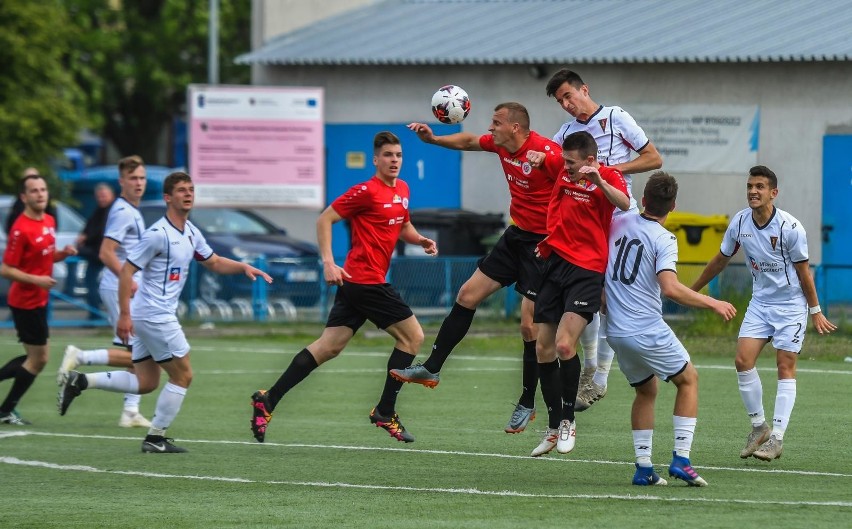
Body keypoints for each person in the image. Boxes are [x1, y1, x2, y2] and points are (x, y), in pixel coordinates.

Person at [58, 171, 273, 453]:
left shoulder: (191, 232)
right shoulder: (157, 235)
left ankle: (81, 380)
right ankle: (156, 438)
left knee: (146, 381)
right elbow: (126, 271)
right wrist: (124, 315)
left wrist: (243, 266)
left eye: (191, 189)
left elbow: (215, 261)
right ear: (168, 197)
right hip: (155, 315)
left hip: (151, 316)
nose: (188, 194)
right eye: (182, 190)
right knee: (183, 375)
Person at [249, 131, 437, 444]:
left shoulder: (402, 189)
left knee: (328, 347)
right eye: (388, 155)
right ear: (376, 159)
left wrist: (419, 240)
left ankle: (268, 400)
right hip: (365, 281)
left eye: (398, 155)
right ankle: (385, 411)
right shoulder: (365, 191)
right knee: (413, 336)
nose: (394, 161)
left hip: (357, 283)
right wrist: (327, 261)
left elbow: (403, 225)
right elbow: (325, 219)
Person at [390, 102, 564, 434]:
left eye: (496, 123)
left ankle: (527, 402)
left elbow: (572, 176)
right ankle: (432, 368)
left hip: (543, 245)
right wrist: (434, 140)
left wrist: (552, 165)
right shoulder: (501, 146)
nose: (490, 128)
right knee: (467, 294)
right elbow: (470, 141)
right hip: (515, 237)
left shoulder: (544, 150)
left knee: (529, 328)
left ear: (515, 127)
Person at [531, 68, 663, 412]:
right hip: (587, 224)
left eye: (568, 96)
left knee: (613, 298)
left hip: (620, 219)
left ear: (584, 89)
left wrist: (610, 170)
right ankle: (592, 372)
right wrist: (537, 158)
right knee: (590, 298)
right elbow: (553, 162)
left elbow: (654, 158)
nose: (566, 105)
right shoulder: (566, 133)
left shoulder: (615, 118)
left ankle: (600, 376)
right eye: (561, 101)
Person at [691, 165, 836, 461]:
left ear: (773, 192)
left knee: (785, 365)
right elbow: (720, 259)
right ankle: (759, 427)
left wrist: (815, 311)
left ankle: (777, 439)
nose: (753, 191)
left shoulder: (790, 228)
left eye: (759, 186)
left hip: (791, 305)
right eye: (749, 186)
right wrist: (692, 290)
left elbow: (804, 274)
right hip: (760, 303)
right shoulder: (740, 222)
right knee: (742, 360)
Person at [605, 172, 736, 486]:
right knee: (689, 379)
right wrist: (713, 302)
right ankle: (681, 459)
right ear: (673, 206)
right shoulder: (664, 238)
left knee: (647, 390)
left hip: (616, 333)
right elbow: (671, 288)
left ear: (645, 200)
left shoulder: (619, 220)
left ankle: (643, 468)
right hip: (645, 328)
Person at [529, 130, 629, 457]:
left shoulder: (608, 175)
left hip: (586, 270)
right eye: (564, 161)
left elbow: (625, 203)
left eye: (572, 163)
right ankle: (554, 424)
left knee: (562, 344)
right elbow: (544, 156)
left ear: (589, 159)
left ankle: (569, 419)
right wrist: (538, 158)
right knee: (542, 348)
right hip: (554, 263)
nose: (566, 168)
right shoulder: (563, 167)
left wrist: (599, 180)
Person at [58, 156, 152, 428]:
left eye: (142, 178)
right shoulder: (123, 211)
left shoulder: (131, 209)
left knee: (135, 353)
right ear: (121, 181)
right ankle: (80, 356)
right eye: (133, 178)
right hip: (119, 287)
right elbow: (105, 252)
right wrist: (129, 280)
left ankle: (131, 411)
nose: (138, 183)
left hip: (121, 286)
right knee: (141, 355)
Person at [0, 174, 77, 425]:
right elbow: (7, 269)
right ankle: (6, 410)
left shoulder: (49, 221)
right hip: (24, 301)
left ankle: (5, 410)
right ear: (24, 197)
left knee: (37, 358)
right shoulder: (20, 228)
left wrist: (62, 254)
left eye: (43, 189)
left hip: (39, 299)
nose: (40, 194)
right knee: (38, 359)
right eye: (34, 190)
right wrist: (36, 280)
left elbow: (45, 256)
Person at [75, 183, 115, 316]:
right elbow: (88, 230)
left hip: (104, 254)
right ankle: (95, 314)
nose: (101, 199)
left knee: (97, 285)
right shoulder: (98, 211)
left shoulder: (112, 212)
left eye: (104, 196)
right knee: (91, 284)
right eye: (99, 196)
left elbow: (99, 233)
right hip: (97, 255)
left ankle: (97, 315)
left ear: (111, 195)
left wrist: (84, 242)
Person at [4, 168, 57, 235]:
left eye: (34, 177)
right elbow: (11, 223)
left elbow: (53, 219)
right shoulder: (18, 201)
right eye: (34, 191)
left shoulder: (49, 216)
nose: (40, 195)